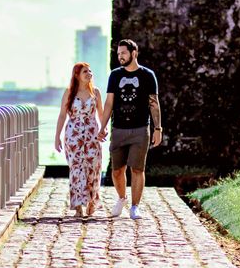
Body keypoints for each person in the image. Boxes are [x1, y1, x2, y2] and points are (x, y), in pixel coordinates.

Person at [97, 39, 162, 220]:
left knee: (137, 169)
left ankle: (135, 206)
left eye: (123, 53)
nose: (120, 57)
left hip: (141, 129)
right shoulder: (115, 75)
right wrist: (102, 127)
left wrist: (158, 128)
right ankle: (122, 198)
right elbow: (109, 102)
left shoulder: (148, 75)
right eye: (118, 54)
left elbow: (153, 103)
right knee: (117, 171)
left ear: (134, 53)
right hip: (118, 129)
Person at [55, 62, 104, 217]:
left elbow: (101, 114)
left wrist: (104, 130)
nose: (89, 73)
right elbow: (62, 115)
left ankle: (91, 202)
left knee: (93, 168)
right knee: (76, 170)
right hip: (73, 136)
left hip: (92, 135)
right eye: (85, 71)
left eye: (90, 71)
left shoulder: (96, 92)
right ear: (77, 75)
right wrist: (57, 137)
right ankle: (77, 206)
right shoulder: (69, 92)